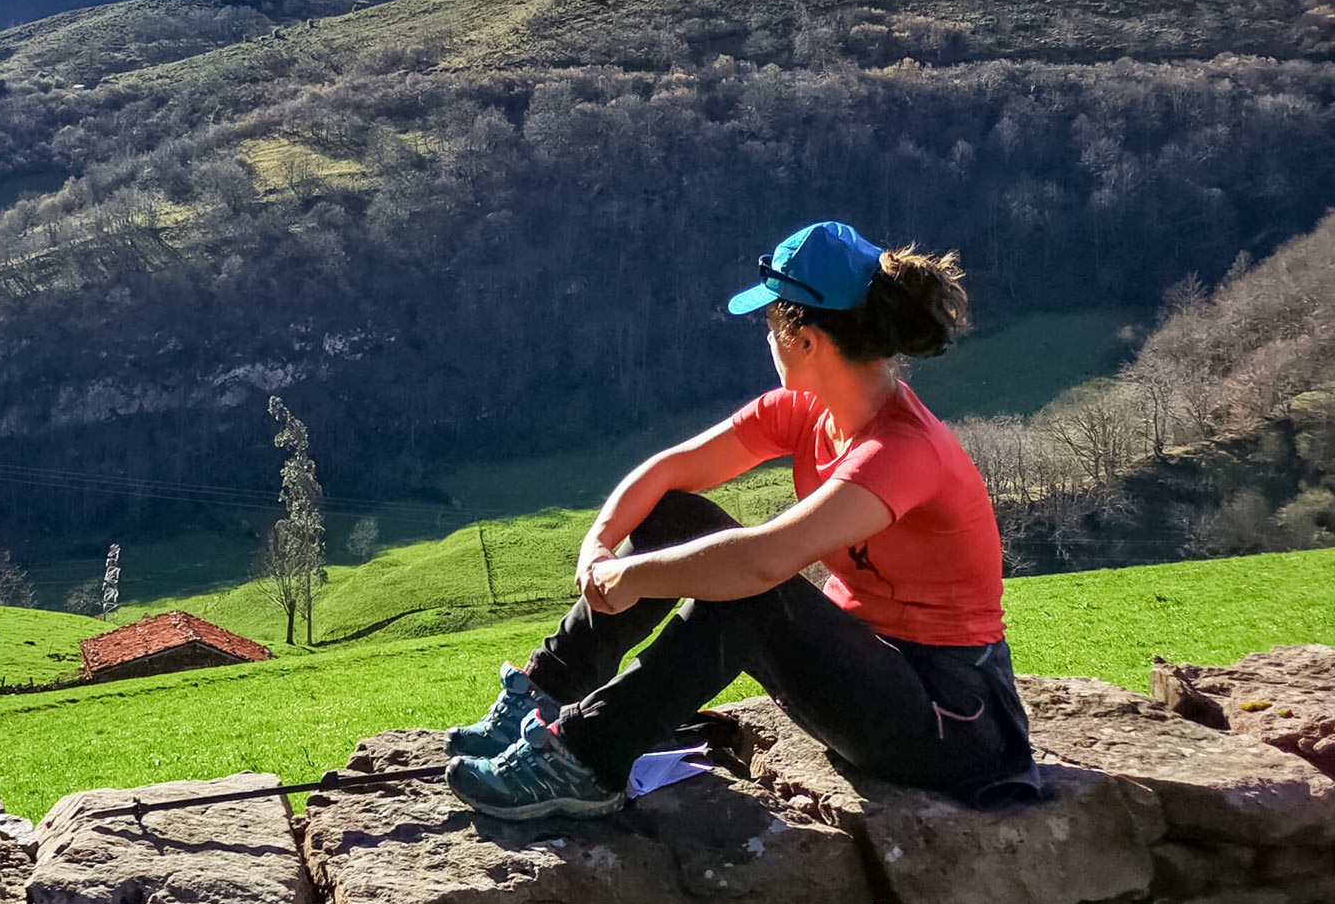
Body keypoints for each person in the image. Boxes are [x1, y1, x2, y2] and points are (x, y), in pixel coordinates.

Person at [445, 220, 1039, 820]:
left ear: (804, 338)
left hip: (948, 719)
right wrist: (599, 545)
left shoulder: (902, 452)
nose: (766, 338)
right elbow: (668, 473)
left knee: (752, 590)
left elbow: (760, 563)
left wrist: (633, 578)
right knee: (674, 517)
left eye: (770, 323)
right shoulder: (811, 413)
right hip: (865, 671)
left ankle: (585, 755)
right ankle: (545, 695)